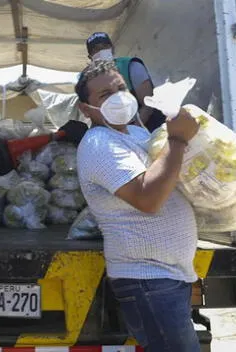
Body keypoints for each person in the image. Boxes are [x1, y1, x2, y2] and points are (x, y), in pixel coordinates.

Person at [75, 60, 201, 352]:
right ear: (86, 109)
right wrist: (178, 138)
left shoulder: (135, 134)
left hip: (169, 276)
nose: (118, 96)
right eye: (105, 95)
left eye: (120, 88)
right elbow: (148, 198)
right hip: (149, 281)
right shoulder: (99, 142)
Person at [85, 32, 166, 132]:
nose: (101, 51)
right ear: (90, 57)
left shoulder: (131, 66)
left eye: (105, 47)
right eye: (96, 49)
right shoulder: (91, 80)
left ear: (112, 48)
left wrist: (132, 132)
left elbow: (148, 104)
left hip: (150, 127)